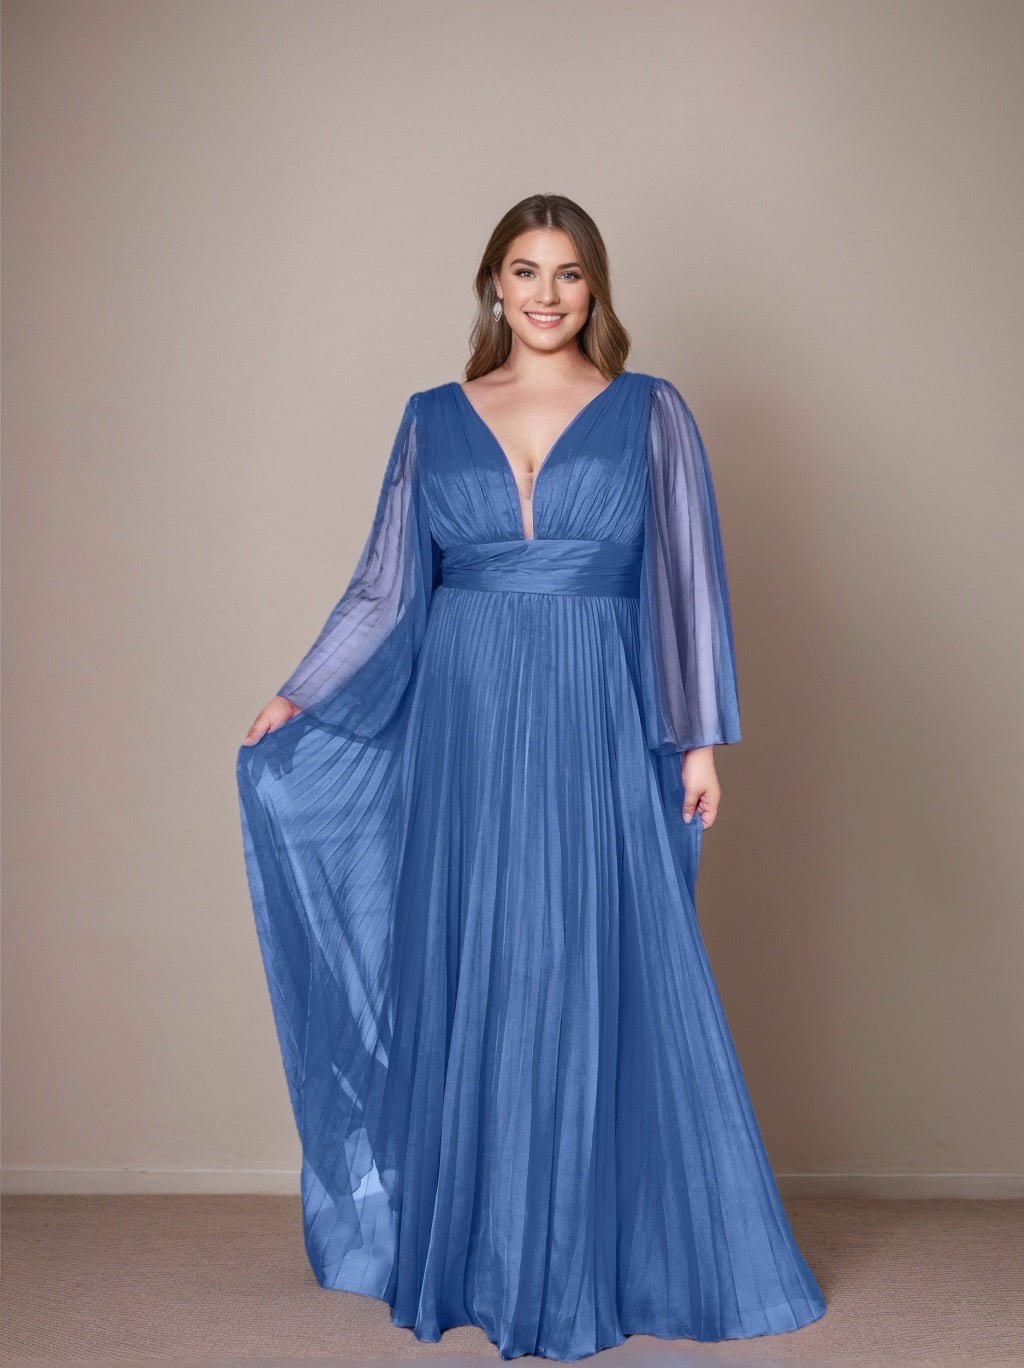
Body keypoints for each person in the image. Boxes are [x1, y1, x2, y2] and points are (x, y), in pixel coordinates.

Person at [236, 193, 827, 1362]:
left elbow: (684, 577)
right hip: (464, 714)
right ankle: (479, 1250)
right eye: (524, 270)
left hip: (595, 710)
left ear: (593, 288)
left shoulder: (650, 412)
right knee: (479, 953)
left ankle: (578, 1254)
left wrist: (697, 740)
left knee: (581, 952)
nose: (545, 293)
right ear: (492, 286)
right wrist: (301, 692)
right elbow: (386, 586)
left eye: (567, 272)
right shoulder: (431, 417)